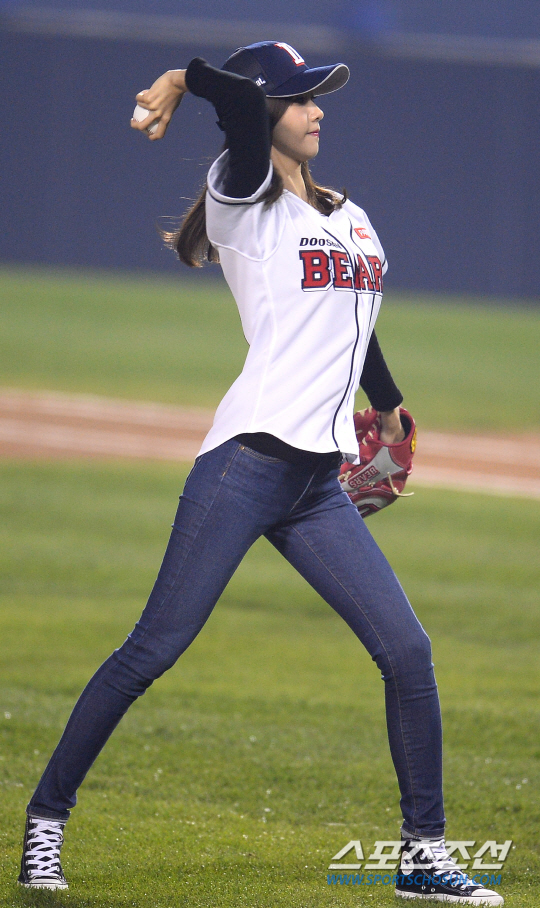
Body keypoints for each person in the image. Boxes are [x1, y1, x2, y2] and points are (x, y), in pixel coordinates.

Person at [19, 41, 502, 906]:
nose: (318, 110)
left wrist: (388, 405)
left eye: (319, 97)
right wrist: (183, 77)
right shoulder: (243, 198)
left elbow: (360, 326)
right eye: (301, 98)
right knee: (151, 652)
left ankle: (423, 856)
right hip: (244, 467)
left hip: (317, 487)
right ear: (264, 113)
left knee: (408, 651)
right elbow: (238, 108)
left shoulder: (350, 216)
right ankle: (45, 821)